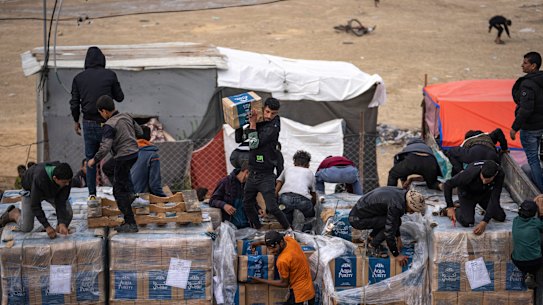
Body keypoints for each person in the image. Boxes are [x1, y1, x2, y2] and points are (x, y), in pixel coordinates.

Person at [70, 46, 124, 201]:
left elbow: (74, 103)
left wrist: (75, 121)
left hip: (88, 123)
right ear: (102, 59)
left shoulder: (78, 78)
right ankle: (121, 190)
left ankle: (92, 195)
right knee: (118, 156)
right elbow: (120, 97)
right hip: (108, 123)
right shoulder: (110, 75)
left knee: (91, 159)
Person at [88, 95, 142, 233]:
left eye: (101, 113)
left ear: (104, 111)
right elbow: (140, 132)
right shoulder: (127, 116)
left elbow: (105, 147)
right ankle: (129, 193)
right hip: (134, 153)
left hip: (123, 157)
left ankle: (130, 223)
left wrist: (94, 160)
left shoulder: (109, 125)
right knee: (108, 167)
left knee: (118, 191)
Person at [235, 97, 290, 230]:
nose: (269, 116)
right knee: (247, 203)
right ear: (262, 109)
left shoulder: (274, 126)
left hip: (266, 175)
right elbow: (239, 139)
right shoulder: (258, 120)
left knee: (271, 207)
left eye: (273, 113)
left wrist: (252, 124)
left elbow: (253, 144)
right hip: (253, 172)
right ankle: (258, 229)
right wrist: (239, 122)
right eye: (267, 112)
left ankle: (289, 229)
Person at [348, 187, 426, 265]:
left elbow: (395, 219)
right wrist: (396, 254)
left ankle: (370, 238)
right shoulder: (396, 205)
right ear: (408, 204)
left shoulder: (402, 194)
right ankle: (371, 246)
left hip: (360, 213)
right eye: (412, 210)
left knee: (394, 221)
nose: (411, 213)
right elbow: (389, 232)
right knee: (390, 226)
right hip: (357, 219)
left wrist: (398, 238)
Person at [249, 231, 315, 305]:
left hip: (300, 294)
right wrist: (259, 243)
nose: (271, 251)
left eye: (274, 248)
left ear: (281, 243)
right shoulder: (290, 240)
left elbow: (284, 283)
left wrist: (259, 280)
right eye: (269, 248)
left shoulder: (282, 260)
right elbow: (275, 241)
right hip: (308, 287)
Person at [443, 160, 506, 235]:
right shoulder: (469, 173)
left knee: (500, 216)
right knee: (467, 222)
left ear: (495, 175)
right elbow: (447, 185)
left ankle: (461, 204)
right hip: (468, 194)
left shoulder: (500, 174)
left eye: (487, 180)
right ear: (481, 170)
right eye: (482, 178)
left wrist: (485, 221)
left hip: (484, 194)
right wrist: (450, 206)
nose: (484, 181)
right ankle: (455, 208)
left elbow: (495, 198)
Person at [510, 51, 543, 192]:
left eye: (525, 63)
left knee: (533, 159)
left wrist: (514, 127)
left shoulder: (528, 85)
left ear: (533, 66)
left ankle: (540, 191)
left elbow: (526, 109)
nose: (522, 66)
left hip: (530, 128)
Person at [19, 161, 73, 238]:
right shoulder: (40, 178)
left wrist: (61, 222)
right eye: (64, 182)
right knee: (26, 227)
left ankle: (59, 230)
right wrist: (47, 226)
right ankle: (14, 214)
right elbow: (35, 205)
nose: (67, 184)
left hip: (51, 191)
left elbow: (61, 201)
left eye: (68, 181)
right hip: (31, 190)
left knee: (67, 213)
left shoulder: (66, 179)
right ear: (55, 178)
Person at [276, 150, 317, 232]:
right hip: (303, 200)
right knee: (310, 217)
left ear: (294, 162)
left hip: (285, 198)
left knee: (286, 215)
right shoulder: (310, 172)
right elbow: (313, 193)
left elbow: (278, 184)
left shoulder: (287, 169)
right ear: (307, 164)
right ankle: (306, 233)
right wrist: (312, 206)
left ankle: (288, 231)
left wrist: (276, 199)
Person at [209, 162, 251, 229]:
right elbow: (212, 201)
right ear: (246, 172)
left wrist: (258, 209)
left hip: (247, 226)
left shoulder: (249, 185)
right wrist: (224, 205)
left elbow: (251, 201)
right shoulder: (226, 182)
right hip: (230, 227)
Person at [511, 200, 542, 288]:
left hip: (518, 262)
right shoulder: (536, 223)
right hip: (535, 262)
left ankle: (527, 274)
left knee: (520, 254)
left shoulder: (515, 221)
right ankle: (530, 274)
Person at [130, 125, 166, 197]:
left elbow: (107, 168)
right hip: (141, 198)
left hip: (126, 196)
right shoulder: (152, 155)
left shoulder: (126, 152)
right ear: (150, 137)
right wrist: (165, 199)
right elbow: (154, 185)